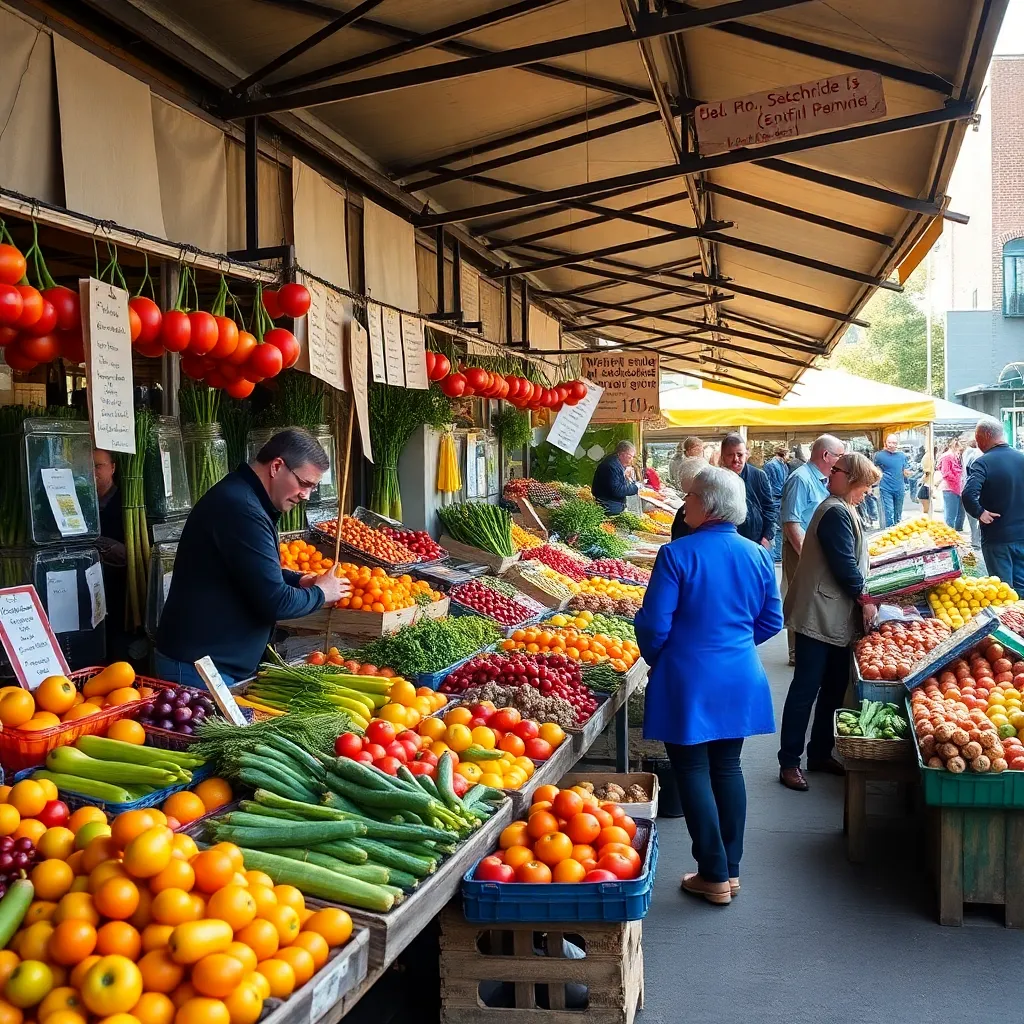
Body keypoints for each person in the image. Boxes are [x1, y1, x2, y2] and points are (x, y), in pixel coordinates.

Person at [636, 467, 783, 905]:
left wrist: (663, 657)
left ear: (709, 504)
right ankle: (730, 870)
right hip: (740, 674)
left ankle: (712, 874)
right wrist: (734, 644)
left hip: (688, 677)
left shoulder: (676, 554)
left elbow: (654, 625)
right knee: (728, 767)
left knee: (693, 770)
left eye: (691, 496)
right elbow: (771, 620)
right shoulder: (757, 555)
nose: (685, 504)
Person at [155, 428, 351, 685]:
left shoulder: (244, 498)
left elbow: (247, 572)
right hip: (200, 669)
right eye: (304, 484)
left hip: (210, 665)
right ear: (277, 466)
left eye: (313, 488)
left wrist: (297, 580)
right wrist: (321, 593)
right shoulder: (242, 508)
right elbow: (275, 601)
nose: (306, 495)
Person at [778, 453, 882, 790]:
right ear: (852, 479)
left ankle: (820, 753)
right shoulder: (834, 511)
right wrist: (865, 599)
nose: (867, 492)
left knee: (834, 686)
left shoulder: (844, 507)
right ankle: (789, 761)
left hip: (834, 615)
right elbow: (844, 565)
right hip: (819, 614)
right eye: (865, 486)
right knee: (806, 688)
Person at [779, 435, 845, 665]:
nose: (841, 461)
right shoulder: (801, 479)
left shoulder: (822, 480)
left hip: (814, 551)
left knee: (812, 601)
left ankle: (809, 649)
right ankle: (797, 653)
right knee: (800, 599)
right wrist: (807, 555)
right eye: (839, 456)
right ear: (826, 455)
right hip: (800, 551)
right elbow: (791, 523)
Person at [962, 417, 1024, 590]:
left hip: (997, 536)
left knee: (1002, 590)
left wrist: (979, 512)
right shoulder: (1022, 458)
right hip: (1021, 535)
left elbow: (968, 493)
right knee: (1021, 588)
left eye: (977, 437)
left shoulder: (983, 462)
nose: (976, 443)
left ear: (987, 435)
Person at [93, 449, 130, 661]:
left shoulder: (127, 504)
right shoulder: (81, 503)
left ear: (113, 468)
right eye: (87, 466)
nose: (92, 471)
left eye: (98, 466)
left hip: (120, 594)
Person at [720, 434, 777, 549]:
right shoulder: (716, 479)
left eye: (740, 455)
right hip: (726, 543)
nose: (736, 459)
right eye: (730, 455)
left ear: (746, 454)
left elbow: (769, 508)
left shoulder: (759, 476)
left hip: (755, 542)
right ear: (723, 457)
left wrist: (767, 536)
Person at [591, 441, 639, 515]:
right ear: (622, 454)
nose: (631, 459)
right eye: (630, 456)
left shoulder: (615, 463)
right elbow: (617, 490)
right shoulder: (611, 466)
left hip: (612, 505)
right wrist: (636, 487)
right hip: (608, 507)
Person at [873, 435, 910, 528]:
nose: (891, 445)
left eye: (894, 443)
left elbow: (905, 471)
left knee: (898, 513)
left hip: (899, 488)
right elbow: (875, 470)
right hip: (886, 488)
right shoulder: (879, 456)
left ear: (897, 444)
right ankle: (889, 530)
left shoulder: (902, 456)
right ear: (885, 443)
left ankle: (897, 530)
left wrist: (908, 473)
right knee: (889, 512)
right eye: (889, 442)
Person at [762, 447, 789, 561]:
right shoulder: (772, 465)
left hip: (779, 498)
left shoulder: (782, 465)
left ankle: (777, 554)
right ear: (784, 454)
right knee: (775, 527)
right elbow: (767, 484)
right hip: (774, 498)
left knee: (778, 527)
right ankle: (774, 554)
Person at [937, 438, 966, 531]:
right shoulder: (947, 457)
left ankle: (958, 531)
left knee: (960, 514)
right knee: (951, 515)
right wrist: (957, 480)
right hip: (950, 488)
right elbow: (946, 473)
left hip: (959, 488)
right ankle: (949, 534)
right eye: (960, 450)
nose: (961, 452)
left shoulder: (957, 457)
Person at [960, 436, 982, 547]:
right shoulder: (980, 454)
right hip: (979, 490)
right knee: (981, 516)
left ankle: (974, 539)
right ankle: (978, 539)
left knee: (972, 516)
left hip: (967, 487)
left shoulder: (966, 454)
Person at [918, 444, 936, 514]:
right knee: (926, 510)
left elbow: (927, 472)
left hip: (926, 485)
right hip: (927, 485)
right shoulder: (929, 456)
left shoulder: (928, 456)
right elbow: (927, 472)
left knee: (926, 510)